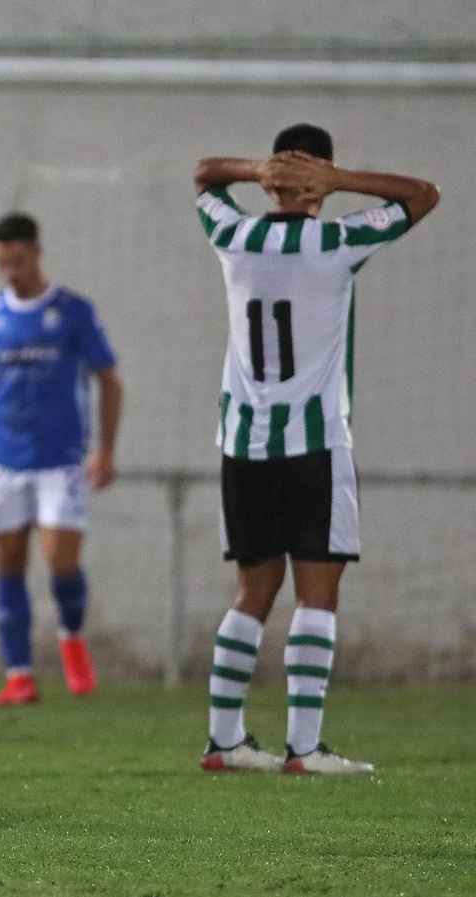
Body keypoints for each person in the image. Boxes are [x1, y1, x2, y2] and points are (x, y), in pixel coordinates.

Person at [193, 124, 438, 774]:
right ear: (321, 180)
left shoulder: (235, 235)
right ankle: (303, 748)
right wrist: (342, 181)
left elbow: (205, 176)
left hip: (242, 443)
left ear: (272, 177)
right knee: (317, 592)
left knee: (252, 592)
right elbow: (424, 194)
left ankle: (224, 740)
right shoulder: (335, 240)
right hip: (313, 442)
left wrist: (253, 168)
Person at [0, 213, 123, 706]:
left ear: (37, 252)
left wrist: (106, 450)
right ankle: (19, 676)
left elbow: (109, 380)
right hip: (3, 460)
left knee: (60, 561)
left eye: (17, 260)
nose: (10, 271)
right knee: (8, 563)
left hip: (62, 461)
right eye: (1, 263)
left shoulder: (73, 311)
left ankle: (72, 637)